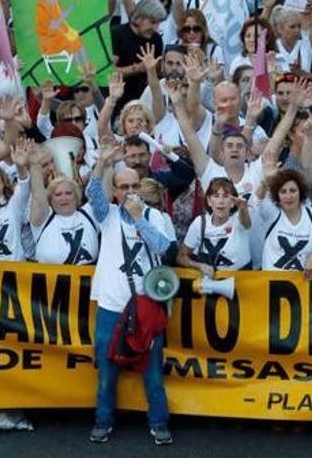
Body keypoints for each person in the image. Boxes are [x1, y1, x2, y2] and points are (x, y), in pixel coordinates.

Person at [85, 143, 178, 445]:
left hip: (145, 307)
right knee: (107, 372)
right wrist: (102, 163)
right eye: (122, 187)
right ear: (115, 191)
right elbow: (92, 194)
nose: (128, 191)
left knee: (152, 372)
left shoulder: (155, 217)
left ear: (141, 186)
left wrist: (139, 219)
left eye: (133, 185)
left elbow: (168, 251)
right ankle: (103, 420)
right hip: (111, 306)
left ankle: (159, 422)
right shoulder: (108, 215)